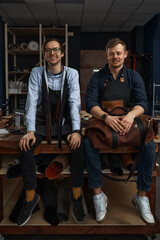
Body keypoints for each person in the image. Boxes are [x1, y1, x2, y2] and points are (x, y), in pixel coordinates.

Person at [84, 38, 156, 224]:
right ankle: (99, 194)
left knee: (149, 145)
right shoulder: (97, 77)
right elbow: (90, 104)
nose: (115, 56)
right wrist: (106, 118)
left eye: (118, 53)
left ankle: (141, 195)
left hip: (127, 121)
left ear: (125, 54)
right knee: (87, 143)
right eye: (111, 53)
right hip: (105, 121)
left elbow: (142, 103)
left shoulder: (134, 76)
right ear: (106, 55)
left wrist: (131, 116)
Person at [17, 38, 85, 226]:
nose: (52, 53)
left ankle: (76, 195)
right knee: (25, 147)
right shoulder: (37, 73)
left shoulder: (71, 74)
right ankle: (30, 198)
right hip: (41, 122)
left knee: (79, 146)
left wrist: (77, 130)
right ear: (45, 54)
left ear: (62, 53)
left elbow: (74, 103)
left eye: (56, 50)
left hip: (64, 122)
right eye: (48, 50)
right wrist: (29, 131)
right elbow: (31, 103)